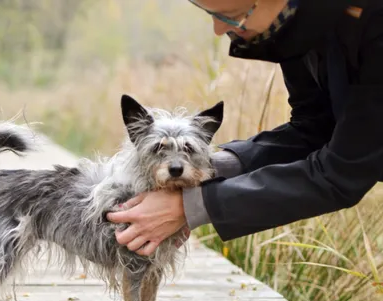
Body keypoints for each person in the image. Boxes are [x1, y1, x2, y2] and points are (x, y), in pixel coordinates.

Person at [107, 0, 383, 256]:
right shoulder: (296, 26)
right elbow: (313, 129)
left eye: (235, 16)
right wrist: (210, 167)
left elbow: (342, 172)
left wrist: (193, 205)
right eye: (212, 15)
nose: (219, 29)